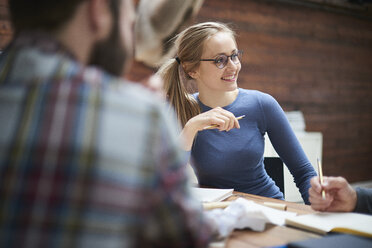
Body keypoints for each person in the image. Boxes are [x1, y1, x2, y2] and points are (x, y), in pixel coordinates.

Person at [0, 0, 214, 247]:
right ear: (98, 10)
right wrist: (133, 113)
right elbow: (190, 239)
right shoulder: (142, 116)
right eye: (129, 16)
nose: (132, 26)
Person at [158, 22, 317, 204]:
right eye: (220, 60)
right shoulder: (180, 109)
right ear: (191, 70)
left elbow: (304, 173)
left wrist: (319, 214)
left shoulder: (262, 104)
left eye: (234, 56)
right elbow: (167, 180)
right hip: (218, 215)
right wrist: (191, 127)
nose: (233, 66)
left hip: (267, 210)